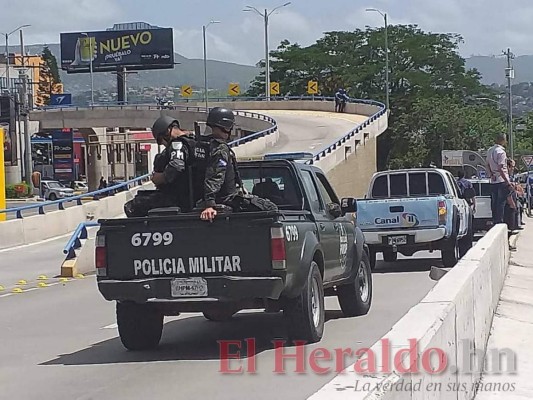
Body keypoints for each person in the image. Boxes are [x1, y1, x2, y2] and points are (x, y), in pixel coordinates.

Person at [199, 107, 277, 221]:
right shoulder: (220, 148)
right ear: (226, 126)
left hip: (213, 198)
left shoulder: (203, 145)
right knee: (271, 208)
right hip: (227, 198)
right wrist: (210, 204)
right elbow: (215, 175)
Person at [486, 133, 512, 226]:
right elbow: (501, 168)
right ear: (503, 141)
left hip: (493, 180)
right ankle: (499, 221)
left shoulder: (490, 150)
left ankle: (494, 220)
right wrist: (507, 181)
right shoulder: (501, 152)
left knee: (494, 201)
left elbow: (488, 164)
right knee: (501, 202)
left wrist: (491, 174)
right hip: (501, 179)